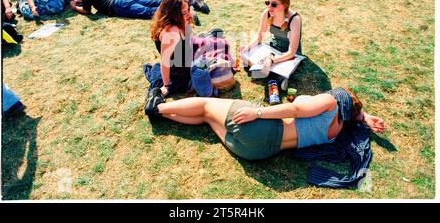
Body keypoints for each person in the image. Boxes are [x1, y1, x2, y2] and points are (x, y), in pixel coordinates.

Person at [144, 87, 385, 160]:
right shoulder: (338, 129)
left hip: (263, 127)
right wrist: (364, 117)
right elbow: (354, 113)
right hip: (256, 152)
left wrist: (257, 113)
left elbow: (295, 109)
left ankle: (158, 107)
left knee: (207, 105)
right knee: (208, 118)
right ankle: (163, 115)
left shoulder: (330, 101)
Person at [239, 0, 302, 89]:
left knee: (269, 64)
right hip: (273, 49)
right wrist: (248, 47)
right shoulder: (267, 13)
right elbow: (259, 36)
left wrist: (272, 60)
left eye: (273, 4)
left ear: (285, 5)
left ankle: (278, 76)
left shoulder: (294, 19)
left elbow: (292, 52)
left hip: (290, 55)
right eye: (267, 3)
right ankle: (274, 75)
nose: (269, 7)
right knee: (247, 54)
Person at [148, 0, 196, 97]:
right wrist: (166, 85)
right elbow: (165, 61)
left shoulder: (181, 22)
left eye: (188, 9)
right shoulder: (171, 32)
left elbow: (189, 42)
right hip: (178, 73)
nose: (189, 14)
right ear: (173, 15)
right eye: (184, 12)